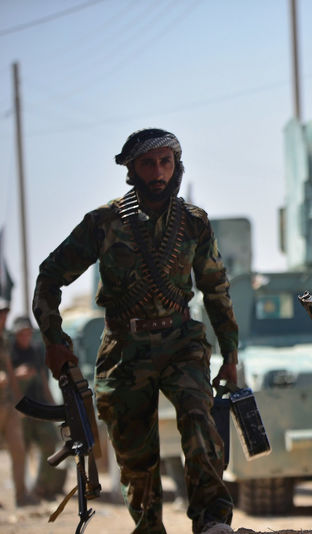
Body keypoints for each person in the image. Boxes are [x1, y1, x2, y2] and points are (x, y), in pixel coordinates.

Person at [32, 128, 239, 534]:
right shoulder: (103, 223)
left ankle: (212, 520)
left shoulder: (194, 223)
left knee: (200, 421)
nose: (159, 173)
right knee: (135, 457)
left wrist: (230, 355)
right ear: (132, 170)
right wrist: (53, 340)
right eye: (148, 164)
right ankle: (149, 527)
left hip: (182, 343)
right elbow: (48, 277)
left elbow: (216, 290)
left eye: (166, 162)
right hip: (125, 349)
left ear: (177, 166)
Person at [9, 316, 65, 501]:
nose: (25, 336)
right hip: (19, 410)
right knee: (20, 452)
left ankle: (41, 487)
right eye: (21, 333)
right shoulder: (10, 353)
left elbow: (43, 379)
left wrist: (53, 406)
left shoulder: (36, 350)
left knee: (50, 442)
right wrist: (17, 375)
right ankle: (22, 493)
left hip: (39, 406)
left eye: (28, 333)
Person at [0, 300, 38, 508]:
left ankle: (21, 497)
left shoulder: (4, 340)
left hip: (8, 405)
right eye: (0, 314)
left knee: (18, 450)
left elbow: (9, 373)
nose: (3, 318)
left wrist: (18, 401)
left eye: (5, 314)